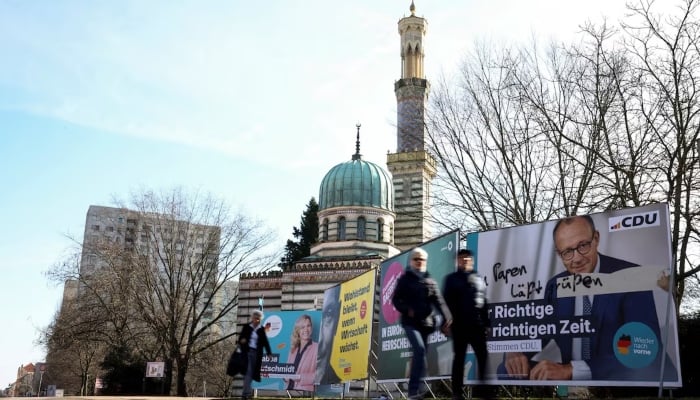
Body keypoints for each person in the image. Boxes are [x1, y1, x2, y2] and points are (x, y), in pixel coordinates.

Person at [500, 215, 674, 381]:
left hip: (620, 378)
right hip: (573, 380)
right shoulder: (555, 285)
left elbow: (644, 349)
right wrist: (516, 350)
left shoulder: (632, 277)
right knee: (507, 368)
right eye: (567, 252)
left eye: (583, 245)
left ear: (596, 238)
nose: (576, 259)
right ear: (559, 254)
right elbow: (541, 330)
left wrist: (572, 370)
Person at [392, 247, 452, 400]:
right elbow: (396, 300)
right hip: (410, 323)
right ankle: (413, 391)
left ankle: (417, 390)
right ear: (412, 261)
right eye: (416, 259)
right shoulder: (405, 279)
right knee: (418, 350)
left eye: (422, 260)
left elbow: (439, 301)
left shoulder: (430, 281)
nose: (419, 262)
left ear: (425, 262)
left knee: (421, 356)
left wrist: (447, 317)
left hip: (425, 324)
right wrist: (407, 310)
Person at [443, 249, 492, 400]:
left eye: (467, 258)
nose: (464, 260)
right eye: (461, 258)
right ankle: (457, 392)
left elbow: (483, 302)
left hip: (476, 325)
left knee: (483, 356)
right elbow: (445, 302)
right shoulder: (451, 279)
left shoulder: (478, 278)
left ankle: (484, 391)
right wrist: (446, 321)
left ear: (472, 260)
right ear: (457, 260)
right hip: (459, 325)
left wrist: (487, 323)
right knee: (459, 359)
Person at [238, 310, 272, 400]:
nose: (257, 320)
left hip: (257, 354)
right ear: (252, 318)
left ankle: (246, 393)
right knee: (248, 373)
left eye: (258, 319)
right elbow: (240, 339)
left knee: (251, 374)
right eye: (255, 318)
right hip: (247, 353)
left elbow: (265, 342)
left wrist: (269, 353)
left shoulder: (261, 329)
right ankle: (246, 394)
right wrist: (242, 341)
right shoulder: (246, 327)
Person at [315, 285, 342, 385]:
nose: (320, 340)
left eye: (329, 314)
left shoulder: (339, 382)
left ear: (337, 317)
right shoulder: (286, 379)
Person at [284, 314, 318, 391]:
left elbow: (320, 375)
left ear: (311, 328)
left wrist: (300, 377)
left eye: (308, 326)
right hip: (288, 392)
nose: (306, 329)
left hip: (305, 393)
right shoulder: (293, 349)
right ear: (298, 330)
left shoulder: (317, 348)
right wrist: (284, 376)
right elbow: (286, 371)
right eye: (302, 327)